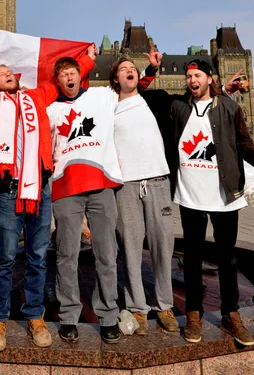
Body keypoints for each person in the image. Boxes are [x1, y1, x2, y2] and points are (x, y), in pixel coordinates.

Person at [0, 7, 95, 352]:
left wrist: (88, 62)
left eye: (10, 71)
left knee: (37, 256)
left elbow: (65, 81)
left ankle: (35, 314)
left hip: (41, 191)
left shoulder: (36, 97)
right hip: (8, 193)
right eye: (1, 72)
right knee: (6, 258)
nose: (7, 73)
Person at [46, 49, 158, 344]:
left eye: (73, 72)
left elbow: (131, 86)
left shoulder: (101, 96)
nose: (69, 77)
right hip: (65, 189)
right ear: (57, 80)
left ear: (80, 75)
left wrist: (149, 71)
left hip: (102, 186)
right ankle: (68, 316)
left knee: (106, 255)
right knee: (66, 256)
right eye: (63, 74)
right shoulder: (50, 110)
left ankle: (108, 315)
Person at [171, 59, 254, 346]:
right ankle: (194, 313)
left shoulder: (228, 107)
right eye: (188, 75)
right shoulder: (179, 107)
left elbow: (243, 143)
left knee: (227, 258)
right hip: (190, 195)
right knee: (192, 257)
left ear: (209, 78)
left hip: (224, 196)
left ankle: (231, 314)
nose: (191, 79)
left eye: (197, 75)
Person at [109, 54, 179, 335]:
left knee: (163, 245)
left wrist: (224, 91)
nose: (129, 71)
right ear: (115, 79)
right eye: (123, 69)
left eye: (132, 69)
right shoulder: (108, 106)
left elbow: (191, 104)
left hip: (158, 180)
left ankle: (164, 305)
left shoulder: (156, 98)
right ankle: (138, 307)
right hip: (125, 185)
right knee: (131, 247)